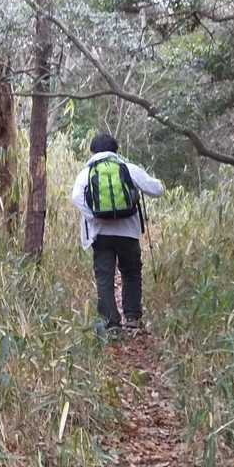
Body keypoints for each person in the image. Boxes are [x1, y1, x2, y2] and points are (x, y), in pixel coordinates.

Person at [70, 132, 164, 335]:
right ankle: (132, 318)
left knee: (105, 277)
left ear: (93, 151)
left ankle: (111, 323)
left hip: (100, 234)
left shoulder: (86, 172)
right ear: (115, 150)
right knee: (131, 272)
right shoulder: (128, 168)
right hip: (128, 232)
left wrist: (94, 217)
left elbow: (76, 197)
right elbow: (157, 190)